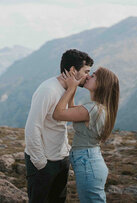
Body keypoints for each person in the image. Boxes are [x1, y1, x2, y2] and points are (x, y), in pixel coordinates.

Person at [24, 49, 94, 203]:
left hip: (61, 159)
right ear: (73, 70)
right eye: (86, 71)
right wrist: (40, 162)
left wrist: (65, 154)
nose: (88, 76)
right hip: (44, 162)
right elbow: (32, 127)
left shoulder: (67, 89)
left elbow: (64, 120)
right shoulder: (48, 90)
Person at [53, 67, 120, 203]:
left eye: (93, 76)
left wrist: (71, 88)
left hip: (88, 164)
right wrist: (73, 87)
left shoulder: (93, 109)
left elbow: (58, 114)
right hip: (90, 162)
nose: (88, 76)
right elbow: (71, 110)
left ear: (102, 84)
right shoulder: (98, 107)